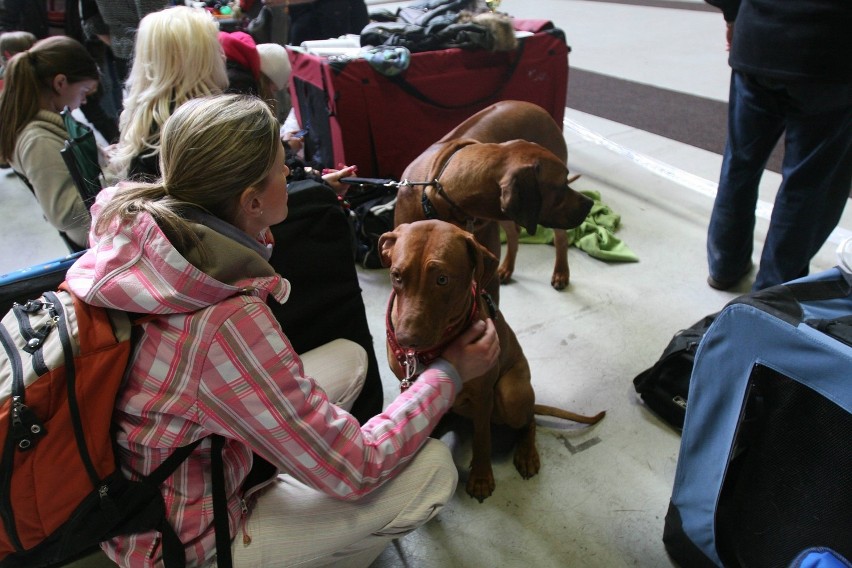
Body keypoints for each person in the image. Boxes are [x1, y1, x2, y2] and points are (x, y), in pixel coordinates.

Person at [65, 93, 500, 567]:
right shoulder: (223, 323)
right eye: (282, 165)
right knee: (434, 468)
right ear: (251, 200)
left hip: (149, 473)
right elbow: (361, 467)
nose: (292, 172)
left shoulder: (133, 228)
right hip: (184, 542)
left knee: (350, 359)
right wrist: (450, 372)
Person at [705, 0, 852, 291]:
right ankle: (774, 292)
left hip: (758, 38)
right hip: (831, 51)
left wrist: (734, 15)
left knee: (740, 163)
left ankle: (725, 265)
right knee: (808, 183)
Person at [0, 35, 99, 251]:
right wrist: (120, 171)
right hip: (91, 234)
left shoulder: (47, 120)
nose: (84, 101)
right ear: (60, 83)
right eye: (83, 92)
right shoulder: (38, 141)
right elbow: (65, 215)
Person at [109, 5, 229, 180]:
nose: (223, 55)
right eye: (215, 46)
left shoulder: (146, 118)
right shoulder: (201, 124)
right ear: (198, 61)